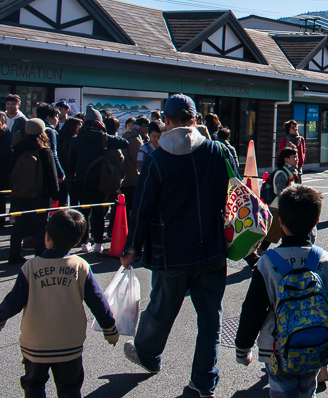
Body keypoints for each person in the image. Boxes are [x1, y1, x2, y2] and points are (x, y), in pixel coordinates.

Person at [121, 94, 234, 397]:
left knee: (162, 306)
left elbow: (142, 208)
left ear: (166, 122)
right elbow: (235, 196)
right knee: (211, 317)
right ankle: (203, 381)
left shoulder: (157, 159)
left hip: (169, 250)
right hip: (212, 248)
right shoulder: (219, 152)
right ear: (195, 120)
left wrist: (133, 247)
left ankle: (147, 353)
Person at [0, 209, 118, 398]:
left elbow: (13, 300)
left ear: (46, 237)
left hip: (35, 343)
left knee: (33, 384)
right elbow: (97, 301)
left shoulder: (30, 267)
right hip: (69, 344)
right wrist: (109, 328)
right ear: (76, 242)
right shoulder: (81, 266)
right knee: (69, 388)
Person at [234, 185, 328, 398]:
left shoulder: (267, 262)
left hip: (277, 349)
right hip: (315, 343)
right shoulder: (324, 260)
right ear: (315, 223)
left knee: (282, 393)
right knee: (307, 391)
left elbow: (253, 308)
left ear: (280, 222)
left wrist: (243, 348)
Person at [69, 106, 129, 253]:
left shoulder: (77, 139)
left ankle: (84, 243)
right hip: (100, 179)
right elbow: (124, 143)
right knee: (98, 211)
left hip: (81, 180)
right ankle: (98, 244)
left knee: (83, 212)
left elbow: (71, 160)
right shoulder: (104, 138)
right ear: (99, 122)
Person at [7, 119, 61, 264]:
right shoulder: (44, 151)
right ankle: (40, 253)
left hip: (20, 192)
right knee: (41, 224)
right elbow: (52, 174)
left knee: (19, 224)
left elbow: (11, 170)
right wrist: (56, 193)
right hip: (40, 193)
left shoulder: (17, 149)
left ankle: (13, 253)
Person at [120, 117, 149, 229]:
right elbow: (137, 160)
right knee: (132, 206)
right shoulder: (136, 140)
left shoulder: (127, 136)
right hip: (133, 178)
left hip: (125, 176)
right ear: (142, 128)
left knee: (125, 206)